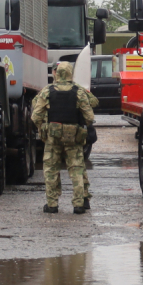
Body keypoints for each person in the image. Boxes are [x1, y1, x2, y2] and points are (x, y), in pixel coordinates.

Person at [31, 62, 96, 214]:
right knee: (76, 169)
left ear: (56, 72)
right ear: (70, 73)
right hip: (73, 137)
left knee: (51, 170)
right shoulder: (78, 91)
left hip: (52, 138)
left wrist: (43, 128)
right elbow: (90, 117)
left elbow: (35, 116)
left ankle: (52, 204)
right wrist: (82, 125)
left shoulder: (47, 91)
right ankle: (79, 204)